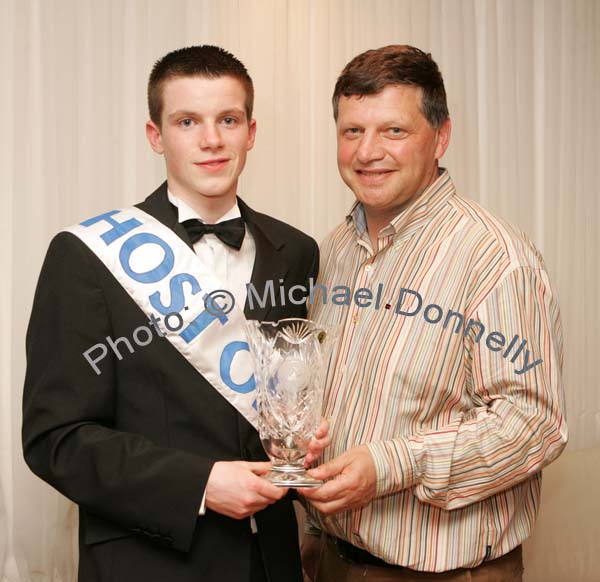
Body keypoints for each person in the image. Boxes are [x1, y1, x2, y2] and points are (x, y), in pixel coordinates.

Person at [22, 45, 326, 582]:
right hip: (151, 563)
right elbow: (56, 439)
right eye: (188, 121)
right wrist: (200, 484)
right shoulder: (86, 256)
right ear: (156, 136)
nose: (212, 140)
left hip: (271, 563)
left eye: (227, 120)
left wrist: (301, 445)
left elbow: (280, 397)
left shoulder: (295, 252)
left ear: (250, 132)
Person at [300, 45, 567, 581]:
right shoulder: (331, 252)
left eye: (393, 131)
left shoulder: (494, 256)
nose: (368, 151)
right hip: (330, 561)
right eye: (352, 131)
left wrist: (391, 465)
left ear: (440, 137)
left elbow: (534, 424)